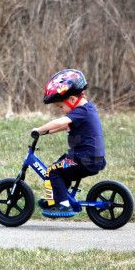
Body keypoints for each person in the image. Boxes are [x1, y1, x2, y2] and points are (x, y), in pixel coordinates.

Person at [32, 69, 106, 218]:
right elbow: (64, 126)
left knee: (52, 171)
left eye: (60, 106)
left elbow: (61, 122)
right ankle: (55, 199)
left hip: (83, 159)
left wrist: (39, 129)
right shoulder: (88, 109)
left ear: (72, 99)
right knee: (60, 165)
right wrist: (47, 132)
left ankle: (63, 205)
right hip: (92, 158)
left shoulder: (80, 112)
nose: (61, 110)